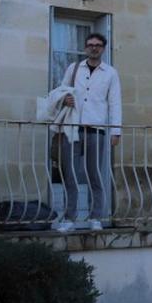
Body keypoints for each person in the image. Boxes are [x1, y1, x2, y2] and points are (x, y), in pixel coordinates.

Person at [54, 32, 122, 232]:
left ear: (103, 48)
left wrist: (116, 131)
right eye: (91, 44)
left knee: (95, 174)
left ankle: (96, 218)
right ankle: (69, 218)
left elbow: (115, 103)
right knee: (71, 174)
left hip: (97, 129)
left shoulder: (110, 73)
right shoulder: (73, 68)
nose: (94, 48)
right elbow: (60, 91)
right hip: (72, 128)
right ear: (85, 47)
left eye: (98, 45)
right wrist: (64, 99)